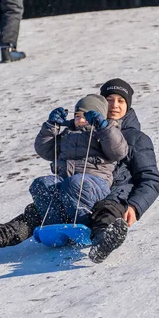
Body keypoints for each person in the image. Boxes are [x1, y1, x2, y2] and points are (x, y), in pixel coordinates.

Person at [0, 78, 159, 263]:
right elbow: (48, 149)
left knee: (106, 212)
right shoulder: (77, 130)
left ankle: (103, 242)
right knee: (37, 211)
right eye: (109, 100)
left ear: (129, 106)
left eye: (121, 101)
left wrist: (135, 206)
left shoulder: (135, 138)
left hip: (113, 197)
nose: (114, 105)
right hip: (72, 191)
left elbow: (149, 178)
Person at [30, 94, 128, 228]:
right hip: (66, 184)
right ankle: (56, 225)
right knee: (41, 184)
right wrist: (50, 126)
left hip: (95, 185)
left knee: (75, 183)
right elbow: (44, 150)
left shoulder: (104, 133)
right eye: (77, 116)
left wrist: (104, 127)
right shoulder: (67, 134)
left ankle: (86, 225)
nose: (80, 120)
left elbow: (118, 151)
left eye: (85, 116)